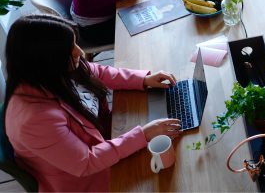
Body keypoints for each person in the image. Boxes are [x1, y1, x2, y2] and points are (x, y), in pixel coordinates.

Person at [4, 14, 182, 193]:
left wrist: (143, 79)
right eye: (69, 48)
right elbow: (86, 162)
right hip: (85, 179)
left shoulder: (53, 69)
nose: (80, 52)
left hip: (105, 139)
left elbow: (98, 72)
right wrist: (143, 135)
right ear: (45, 59)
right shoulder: (34, 120)